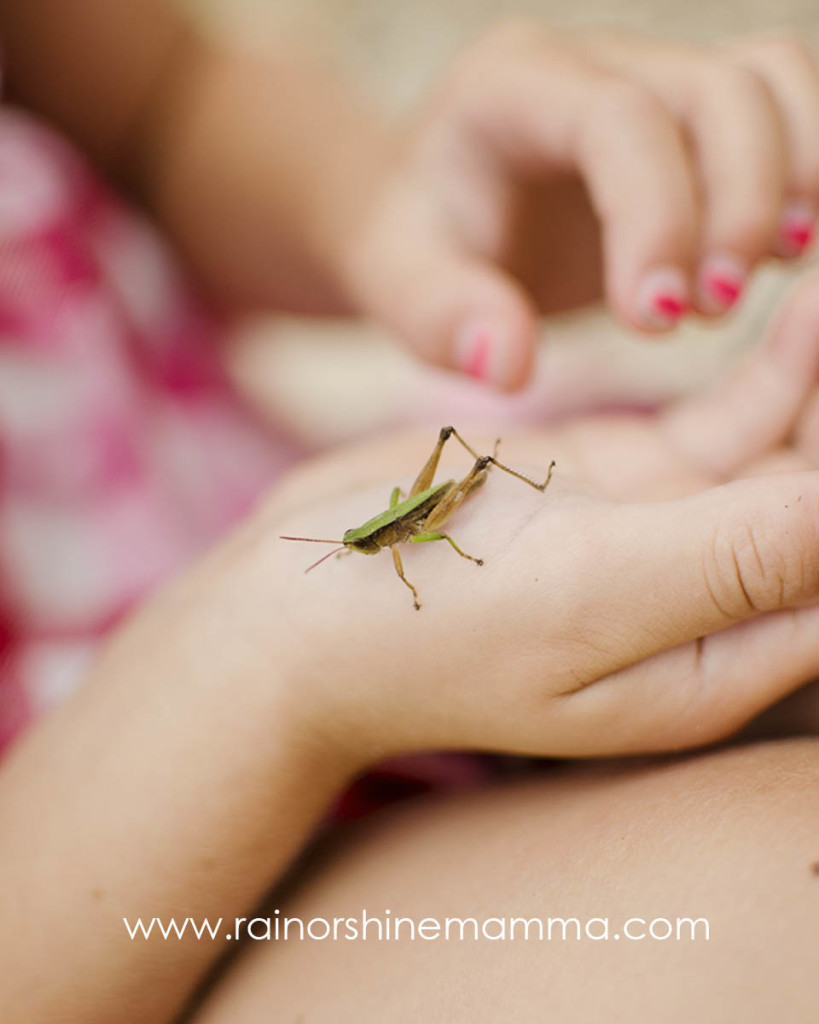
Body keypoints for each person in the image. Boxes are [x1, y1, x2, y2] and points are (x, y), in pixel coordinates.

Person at [0, 3, 817, 1020]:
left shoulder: (394, 533)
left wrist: (394, 212)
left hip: (273, 526)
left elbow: (159, 107)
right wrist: (259, 666)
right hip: (104, 918)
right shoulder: (336, 580)